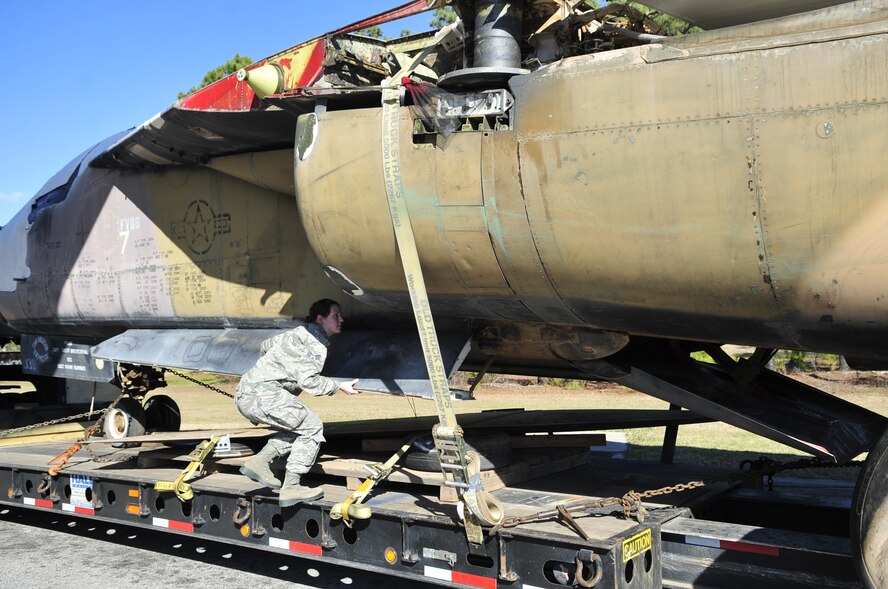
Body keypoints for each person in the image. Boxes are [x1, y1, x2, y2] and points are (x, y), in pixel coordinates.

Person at [235, 298, 359, 506]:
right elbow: (309, 382)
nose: (341, 319)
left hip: (246, 393)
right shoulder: (316, 342)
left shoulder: (297, 333)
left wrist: (275, 370)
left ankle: (260, 461)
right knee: (312, 427)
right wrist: (339, 386)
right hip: (267, 395)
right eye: (335, 315)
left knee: (297, 427)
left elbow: (266, 346)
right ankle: (292, 487)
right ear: (321, 319)